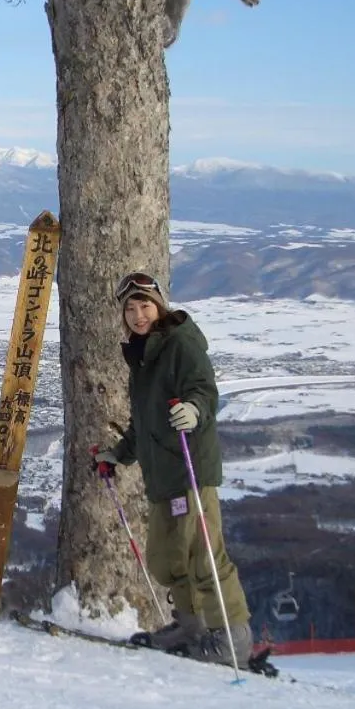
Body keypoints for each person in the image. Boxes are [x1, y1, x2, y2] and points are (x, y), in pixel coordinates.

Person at [94, 271, 252, 667]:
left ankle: (233, 639)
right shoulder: (143, 354)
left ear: (159, 305)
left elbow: (204, 389)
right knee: (167, 559)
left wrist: (194, 410)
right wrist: (118, 455)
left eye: (144, 305)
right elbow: (143, 423)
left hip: (189, 469)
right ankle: (191, 625)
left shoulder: (180, 342)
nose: (137, 315)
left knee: (204, 556)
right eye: (129, 308)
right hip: (161, 475)